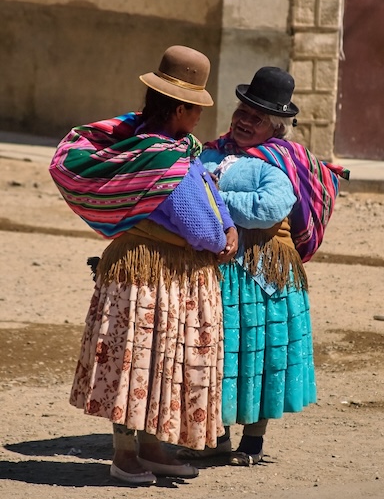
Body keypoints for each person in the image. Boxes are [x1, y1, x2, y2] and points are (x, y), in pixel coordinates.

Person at [49, 45, 238, 485]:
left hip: (163, 273)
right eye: (195, 110)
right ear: (178, 108)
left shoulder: (166, 145)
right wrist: (222, 237)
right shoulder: (161, 159)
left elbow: (210, 192)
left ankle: (152, 447)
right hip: (151, 274)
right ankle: (125, 454)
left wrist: (227, 223)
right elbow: (199, 224)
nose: (199, 120)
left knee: (160, 359)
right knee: (139, 357)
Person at [177, 66, 349, 466]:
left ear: (276, 127)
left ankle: (252, 442)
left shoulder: (281, 161)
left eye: (256, 117)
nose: (243, 121)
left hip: (263, 274)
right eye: (242, 110)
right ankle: (216, 436)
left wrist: (213, 200)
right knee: (218, 352)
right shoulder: (212, 150)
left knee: (261, 353)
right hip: (218, 271)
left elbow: (269, 209)